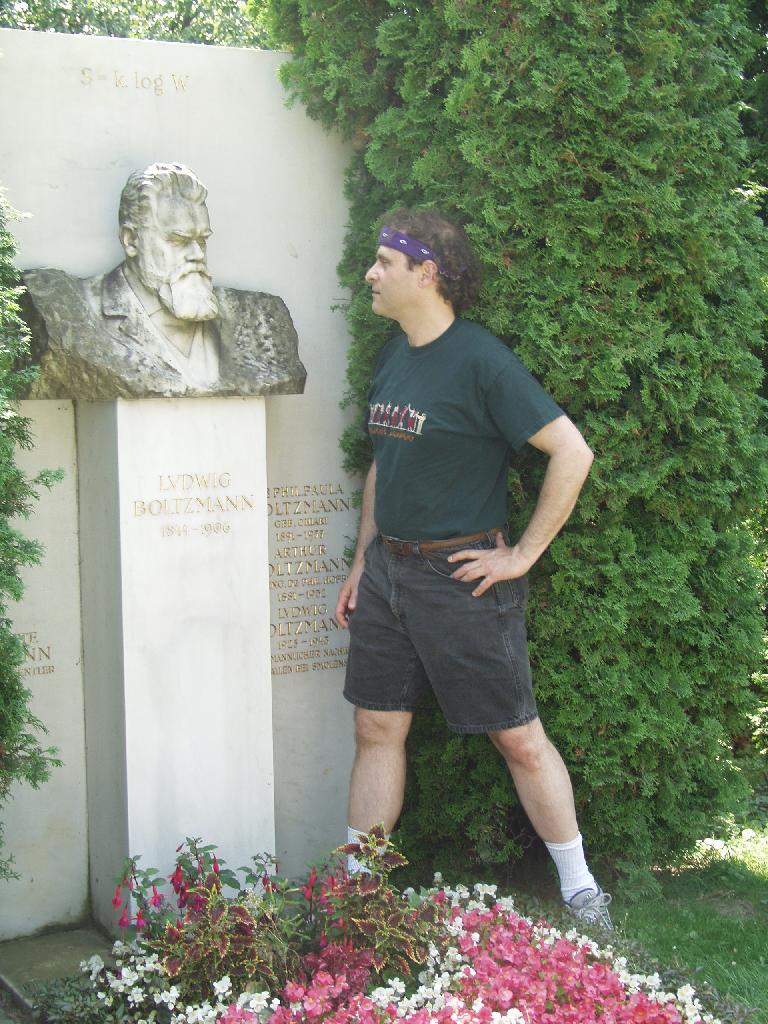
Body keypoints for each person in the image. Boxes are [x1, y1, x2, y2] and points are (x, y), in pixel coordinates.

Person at [334, 209, 612, 928]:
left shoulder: (482, 360)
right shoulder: (394, 354)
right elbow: (381, 466)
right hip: (389, 574)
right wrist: (364, 559)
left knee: (516, 732)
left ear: (427, 273)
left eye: (383, 264)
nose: (370, 275)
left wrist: (520, 555)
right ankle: (358, 891)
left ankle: (581, 888)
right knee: (375, 729)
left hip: (459, 579)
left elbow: (571, 452)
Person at [23, 162, 305, 400]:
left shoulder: (255, 319)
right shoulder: (79, 312)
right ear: (131, 240)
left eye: (202, 240)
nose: (197, 255)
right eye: (178, 240)